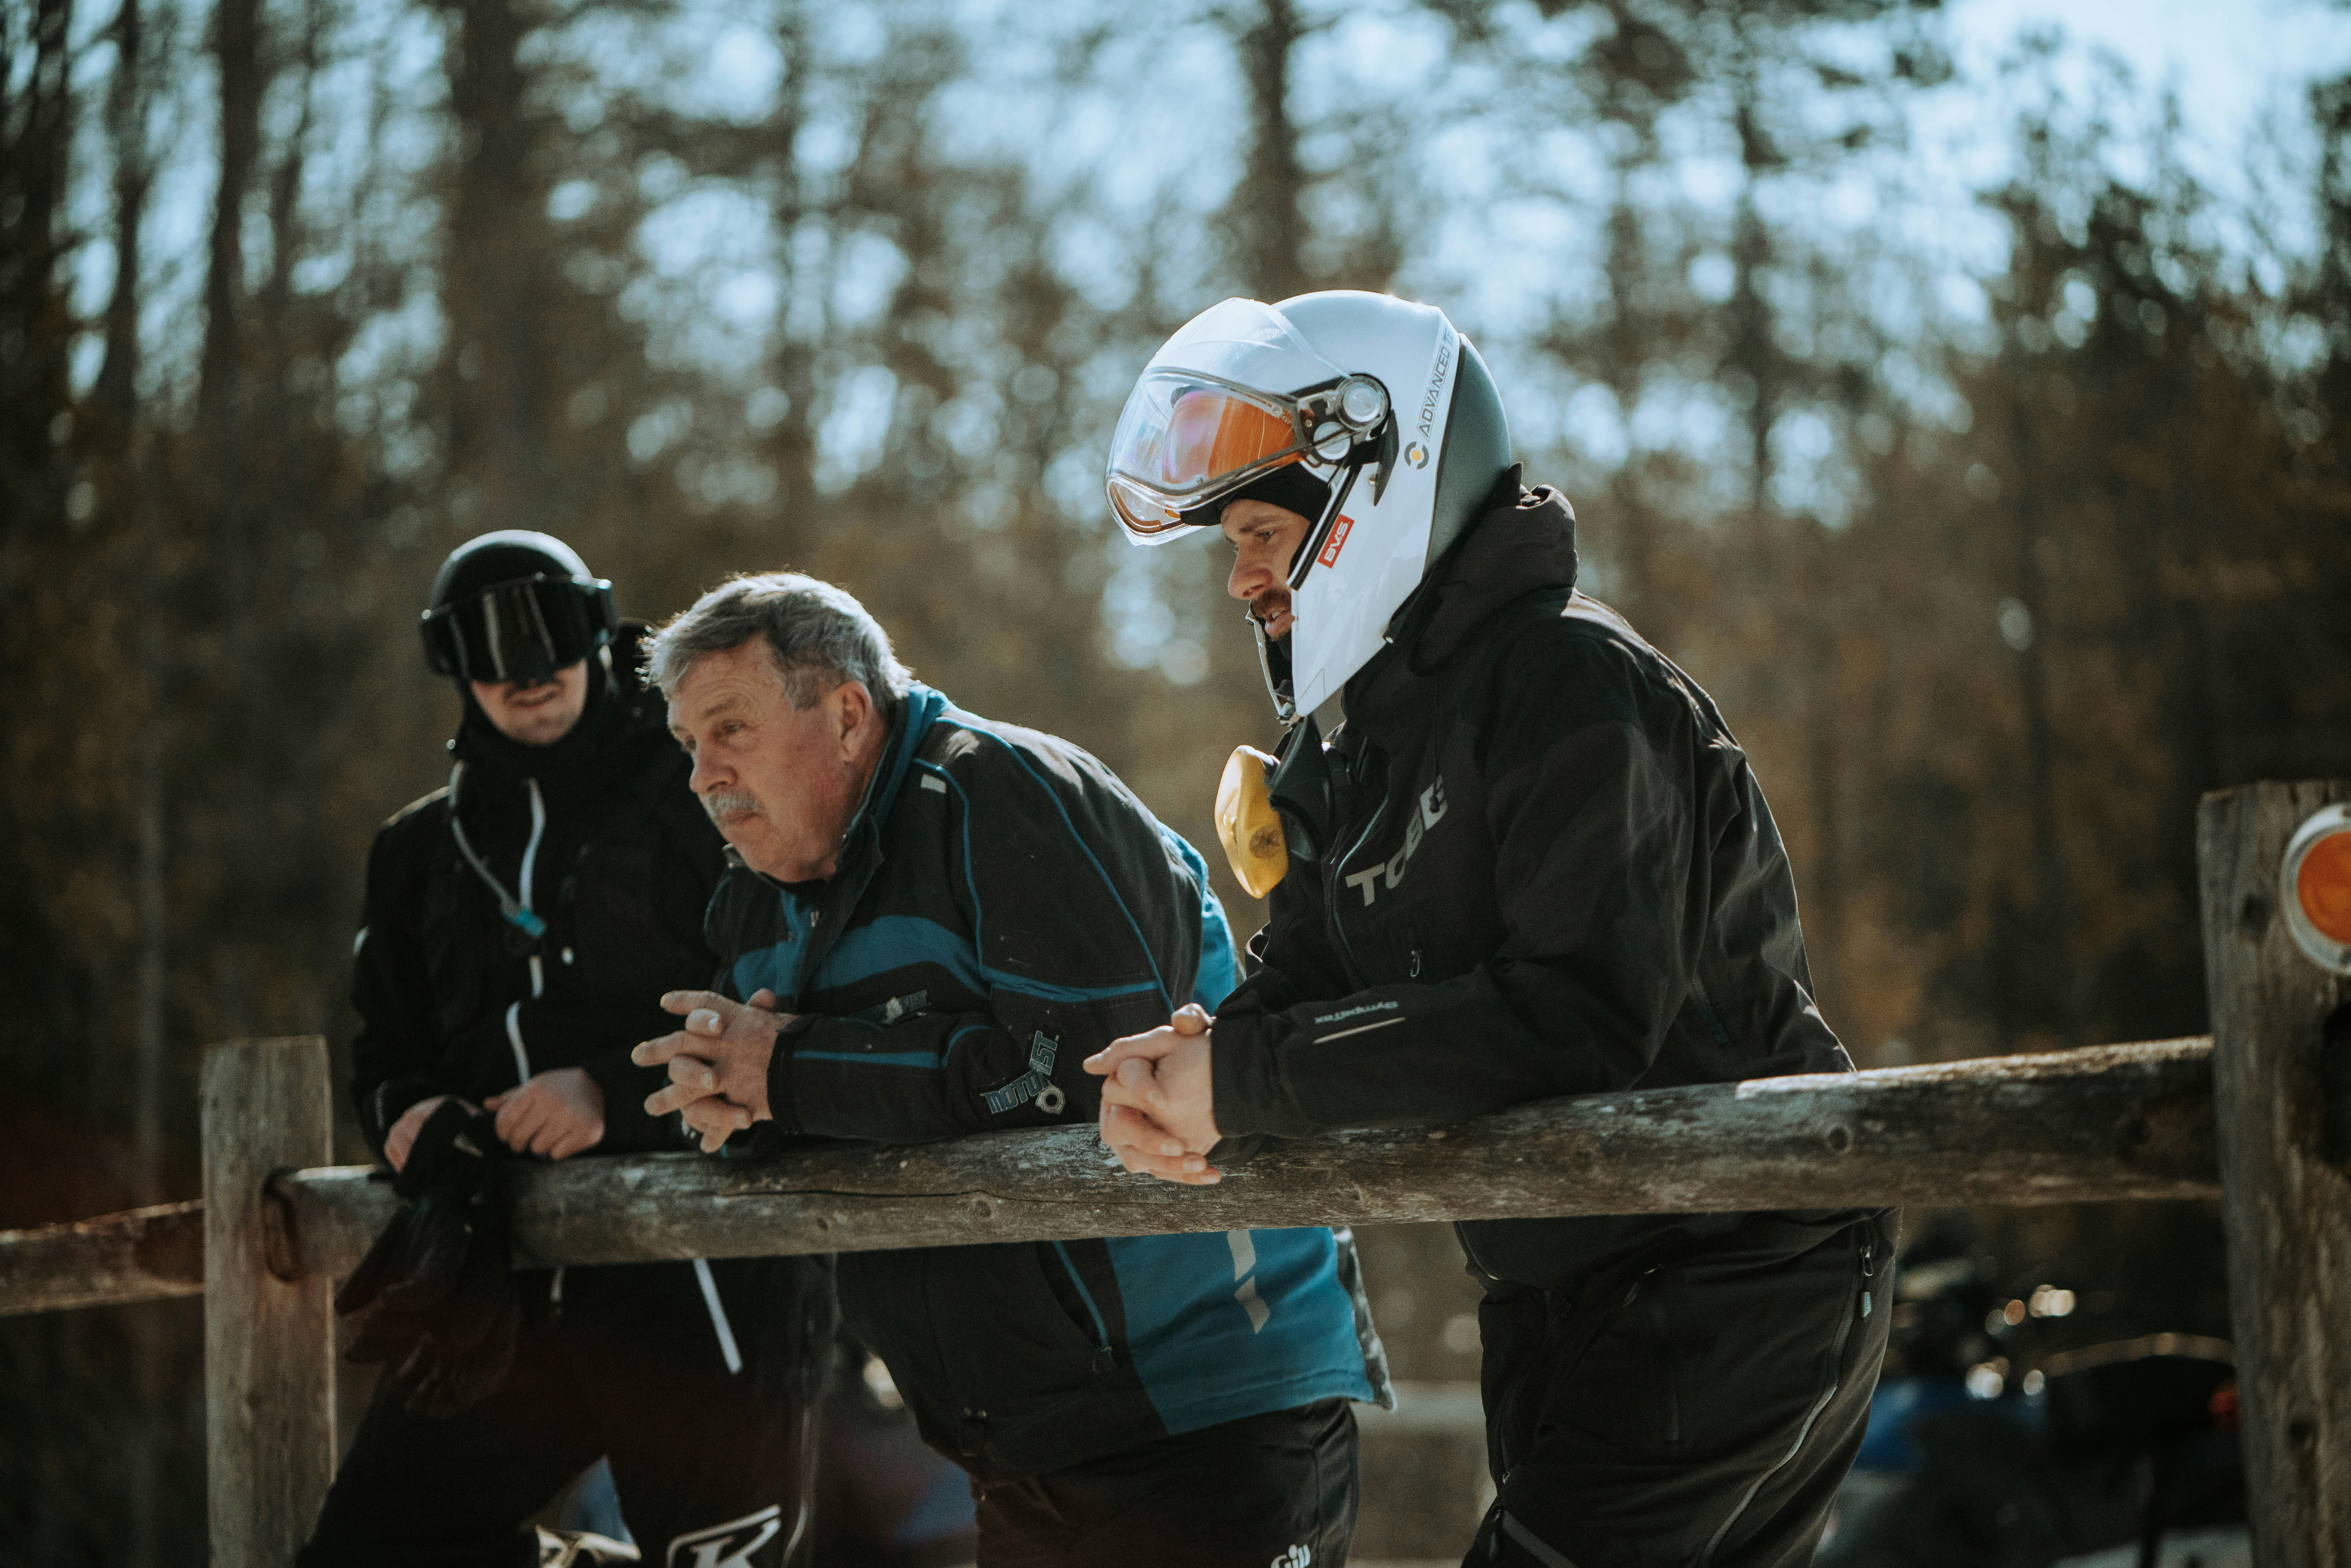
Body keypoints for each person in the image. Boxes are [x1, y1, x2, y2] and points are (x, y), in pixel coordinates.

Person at [1085, 291, 1896, 1568]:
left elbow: (1580, 1014)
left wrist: (1239, 1078)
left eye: (1258, 532)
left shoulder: (1572, 681)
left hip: (1736, 1265)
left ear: (1372, 488)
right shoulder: (1340, 754)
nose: (1240, 581)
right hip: (1548, 1278)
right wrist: (1186, 1073)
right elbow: (1296, 994)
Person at [629, 572, 1391, 1568]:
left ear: (850, 714)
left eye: (730, 730)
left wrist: (790, 1075)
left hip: (1205, 1410)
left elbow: (1079, 1074)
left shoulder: (1004, 791)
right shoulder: (753, 905)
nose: (701, 777)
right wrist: (725, 1102)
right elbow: (810, 1101)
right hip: (1010, 1444)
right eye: (689, 745)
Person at [304, 532, 832, 1568]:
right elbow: (386, 1052)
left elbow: (785, 1000)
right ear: (449, 662)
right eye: (489, 648)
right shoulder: (418, 852)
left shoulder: (707, 796)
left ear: (596, 627)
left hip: (704, 1282)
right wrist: (416, 1120)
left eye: (548, 634)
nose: (528, 671)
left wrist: (610, 1094)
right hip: (502, 1286)